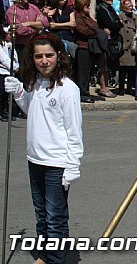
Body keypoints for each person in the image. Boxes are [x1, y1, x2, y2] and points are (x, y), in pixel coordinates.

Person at [5, 34, 83, 264]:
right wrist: (19, 91)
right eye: (39, 56)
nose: (44, 60)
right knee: (41, 214)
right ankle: (44, 254)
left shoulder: (68, 89)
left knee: (54, 215)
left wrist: (73, 165)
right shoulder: (36, 83)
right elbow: (32, 110)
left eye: (49, 55)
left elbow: (74, 130)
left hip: (56, 163)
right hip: (35, 160)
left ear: (59, 56)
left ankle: (54, 258)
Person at [118, 0, 137, 95]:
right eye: (127, 5)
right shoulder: (120, 17)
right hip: (125, 46)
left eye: (131, 5)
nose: (130, 7)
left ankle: (130, 87)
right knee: (123, 69)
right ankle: (121, 88)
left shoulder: (136, 17)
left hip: (134, 46)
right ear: (123, 7)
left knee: (132, 69)